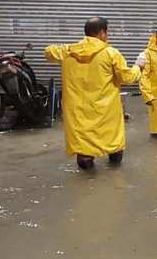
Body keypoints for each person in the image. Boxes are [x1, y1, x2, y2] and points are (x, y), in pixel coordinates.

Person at [44, 17, 141, 170]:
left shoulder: (68, 51)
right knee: (114, 143)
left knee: (83, 148)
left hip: (78, 111)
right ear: (102, 32)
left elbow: (48, 52)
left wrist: (68, 48)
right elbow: (127, 78)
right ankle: (114, 184)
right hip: (106, 110)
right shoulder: (111, 53)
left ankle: (86, 184)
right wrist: (137, 68)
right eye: (107, 32)